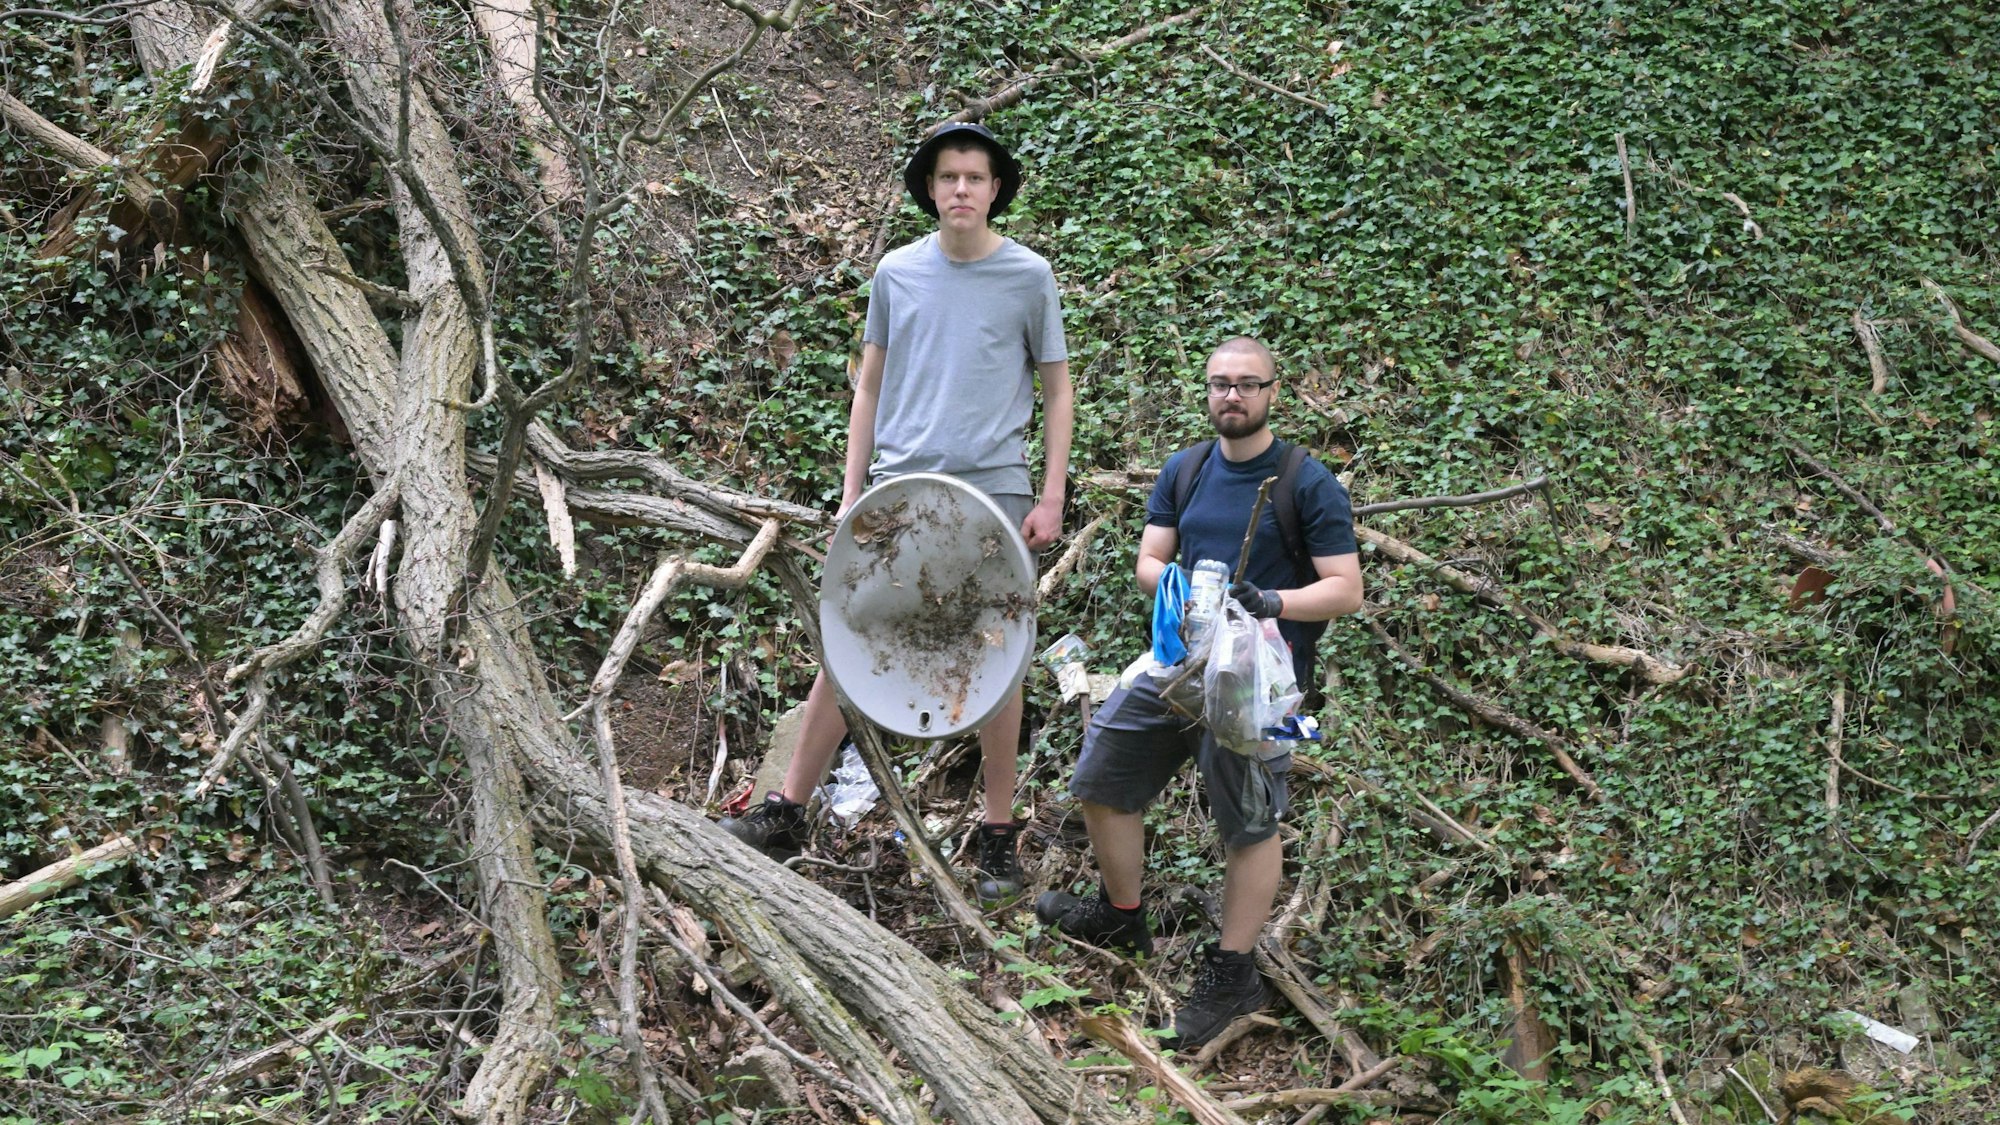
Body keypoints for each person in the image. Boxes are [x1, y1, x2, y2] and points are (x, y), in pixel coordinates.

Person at [720, 122, 1073, 907]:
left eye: (975, 177)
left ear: (994, 190)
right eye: (947, 176)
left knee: (997, 657)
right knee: (851, 644)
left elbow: (1056, 390)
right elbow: (869, 390)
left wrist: (1050, 494)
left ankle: (997, 835)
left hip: (994, 494)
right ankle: (787, 809)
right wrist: (852, 495)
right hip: (898, 494)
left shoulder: (1028, 276)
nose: (960, 190)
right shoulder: (896, 273)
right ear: (930, 189)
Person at [1036, 336, 1363, 1045]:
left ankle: (1233, 969)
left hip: (1263, 684)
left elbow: (1347, 589)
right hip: (1179, 662)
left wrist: (1271, 601)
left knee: (1249, 821)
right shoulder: (1186, 469)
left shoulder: (1306, 481)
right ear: (1206, 391)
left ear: (1275, 392)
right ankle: (1123, 916)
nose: (1232, 396)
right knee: (1101, 777)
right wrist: (1181, 586)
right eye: (1220, 384)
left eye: (1248, 384)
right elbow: (1150, 559)